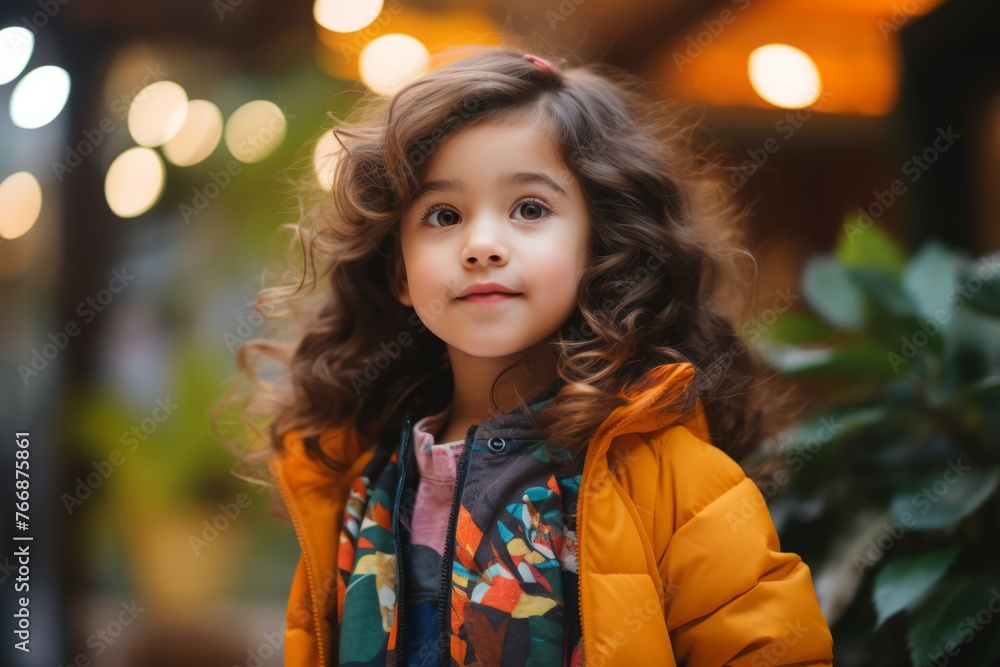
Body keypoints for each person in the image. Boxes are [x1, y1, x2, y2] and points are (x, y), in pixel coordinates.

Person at [226, 44, 834, 666]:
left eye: (530, 208)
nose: (482, 244)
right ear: (400, 273)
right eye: (443, 214)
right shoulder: (355, 483)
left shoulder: (676, 482)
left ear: (601, 246)